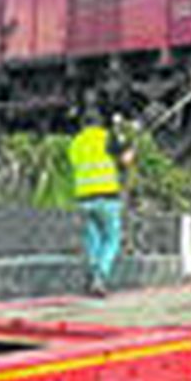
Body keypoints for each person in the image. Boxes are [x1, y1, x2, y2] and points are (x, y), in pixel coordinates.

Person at [68, 108, 134, 297]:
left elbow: (76, 165)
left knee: (94, 238)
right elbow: (124, 161)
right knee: (112, 238)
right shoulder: (107, 137)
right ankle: (100, 277)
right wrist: (128, 154)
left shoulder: (76, 143)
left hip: (84, 198)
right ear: (100, 122)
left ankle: (91, 274)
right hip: (107, 196)